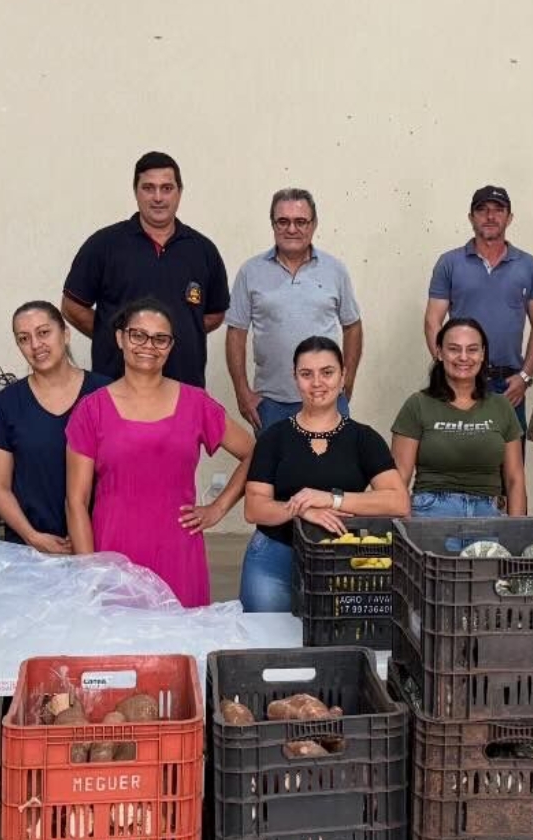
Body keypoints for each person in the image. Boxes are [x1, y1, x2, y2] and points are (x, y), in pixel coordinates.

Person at [66, 299, 253, 606]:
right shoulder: (92, 409)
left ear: (170, 346)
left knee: (180, 647)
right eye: (137, 334)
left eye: (160, 338)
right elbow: (75, 501)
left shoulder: (196, 404)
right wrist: (92, 573)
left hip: (178, 554)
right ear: (120, 338)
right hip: (114, 558)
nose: (148, 346)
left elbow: (253, 453)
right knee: (119, 650)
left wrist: (218, 508)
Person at [240, 336, 410, 612]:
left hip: (341, 560)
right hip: (275, 557)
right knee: (268, 644)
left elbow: (398, 501)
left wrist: (330, 499)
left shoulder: (363, 439)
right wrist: (300, 510)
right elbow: (254, 507)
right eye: (306, 374)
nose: (317, 383)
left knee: (333, 645)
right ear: (295, 379)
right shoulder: (274, 437)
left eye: (327, 372)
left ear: (343, 376)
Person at [62, 151, 229, 387]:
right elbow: (72, 307)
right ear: (136, 192)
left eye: (167, 188)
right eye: (149, 188)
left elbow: (214, 313)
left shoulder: (203, 250)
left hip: (184, 388)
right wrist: (112, 334)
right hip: (116, 386)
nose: (158, 197)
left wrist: (179, 330)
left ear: (179, 192)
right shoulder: (104, 245)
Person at [226, 189, 363, 430]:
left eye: (300, 221)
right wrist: (242, 392)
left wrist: (347, 379)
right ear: (273, 224)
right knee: (276, 468)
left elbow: (352, 326)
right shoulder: (251, 272)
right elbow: (236, 333)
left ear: (314, 224)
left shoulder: (335, 271)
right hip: (272, 403)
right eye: (283, 221)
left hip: (327, 399)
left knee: (333, 468)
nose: (291, 229)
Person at [0, 302, 110, 554]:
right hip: (30, 551)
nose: (35, 344)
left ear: (65, 333)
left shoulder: (106, 393)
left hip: (100, 545)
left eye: (44, 332)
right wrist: (33, 537)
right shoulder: (7, 403)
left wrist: (86, 537)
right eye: (24, 338)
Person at [424, 186, 533, 422]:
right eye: (482, 210)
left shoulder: (529, 266)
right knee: (458, 455)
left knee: (510, 457)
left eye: (498, 210)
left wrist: (525, 376)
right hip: (460, 379)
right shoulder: (449, 263)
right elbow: (432, 320)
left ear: (509, 218)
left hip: (509, 385)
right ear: (471, 218)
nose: (490, 216)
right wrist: (446, 370)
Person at [391, 318, 527, 519]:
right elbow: (399, 479)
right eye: (454, 349)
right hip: (431, 514)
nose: (463, 357)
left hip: (489, 515)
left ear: (483, 354)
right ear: (439, 352)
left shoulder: (501, 406)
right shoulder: (417, 404)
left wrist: (517, 532)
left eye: (472, 349)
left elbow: (515, 479)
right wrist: (405, 532)